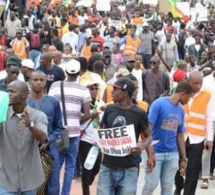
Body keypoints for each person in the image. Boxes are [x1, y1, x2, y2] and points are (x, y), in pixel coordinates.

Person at [97, 77, 153, 195]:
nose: (112, 92)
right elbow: (103, 130)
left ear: (125, 93)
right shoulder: (110, 109)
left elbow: (149, 136)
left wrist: (141, 148)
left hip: (129, 168)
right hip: (107, 166)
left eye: (115, 90)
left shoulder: (139, 113)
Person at [142, 81, 193, 195]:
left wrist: (183, 158)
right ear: (183, 94)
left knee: (167, 188)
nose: (189, 101)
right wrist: (150, 153)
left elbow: (180, 135)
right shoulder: (159, 104)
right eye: (189, 97)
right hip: (155, 152)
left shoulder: (180, 110)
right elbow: (147, 129)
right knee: (151, 185)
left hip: (171, 154)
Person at [49, 59, 91, 195]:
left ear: (66, 71)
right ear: (79, 73)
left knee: (57, 164)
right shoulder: (83, 89)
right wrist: (76, 116)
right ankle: (65, 193)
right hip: (74, 133)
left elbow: (50, 108)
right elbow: (87, 114)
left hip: (58, 132)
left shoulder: (55, 86)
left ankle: (53, 191)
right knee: (70, 166)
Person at [0, 80, 47, 194]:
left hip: (30, 179)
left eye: (12, 91)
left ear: (23, 95)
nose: (8, 94)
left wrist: (30, 125)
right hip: (6, 178)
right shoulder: (2, 114)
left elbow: (43, 138)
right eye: (8, 91)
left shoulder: (38, 115)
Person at [174, 71, 213, 195]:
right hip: (181, 137)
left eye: (200, 83)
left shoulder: (207, 95)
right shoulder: (180, 92)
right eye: (195, 83)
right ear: (188, 82)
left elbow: (208, 116)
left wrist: (209, 138)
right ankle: (179, 187)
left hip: (198, 138)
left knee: (193, 171)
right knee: (177, 167)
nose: (198, 86)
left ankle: (188, 193)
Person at [27, 70, 63, 195]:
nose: (38, 83)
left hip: (50, 151)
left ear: (45, 82)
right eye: (35, 80)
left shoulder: (53, 102)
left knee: (52, 187)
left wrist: (48, 140)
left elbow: (59, 127)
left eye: (41, 80)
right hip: (27, 152)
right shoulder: (23, 102)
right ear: (29, 82)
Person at [78, 82, 104, 195]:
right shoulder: (82, 103)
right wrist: (91, 115)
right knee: (86, 168)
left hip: (97, 140)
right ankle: (86, 192)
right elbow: (77, 120)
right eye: (91, 89)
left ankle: (86, 183)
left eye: (96, 89)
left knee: (96, 167)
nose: (94, 90)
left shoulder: (101, 103)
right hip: (85, 139)